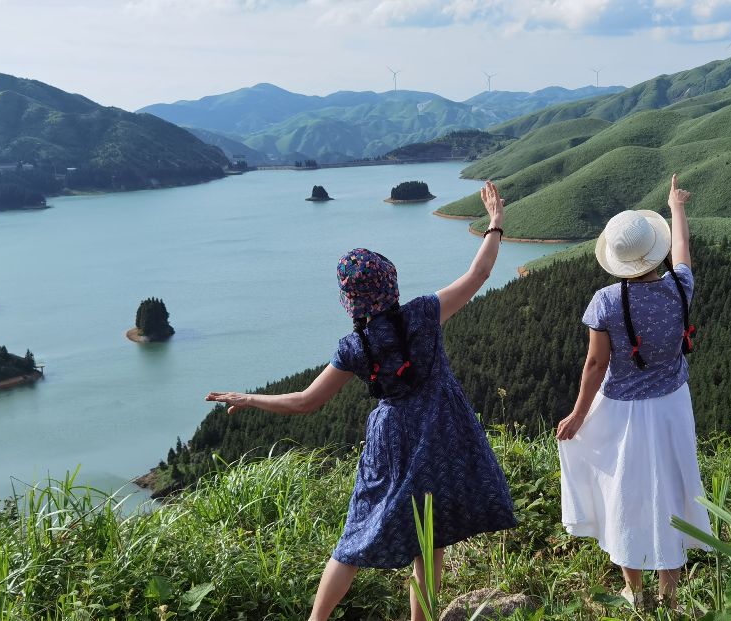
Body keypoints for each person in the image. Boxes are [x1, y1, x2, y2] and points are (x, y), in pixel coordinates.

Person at [205, 182, 517, 621]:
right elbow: (478, 274)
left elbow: (305, 401)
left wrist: (250, 398)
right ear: (389, 281)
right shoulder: (423, 314)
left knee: (357, 533)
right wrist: (495, 223)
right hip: (441, 428)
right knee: (430, 535)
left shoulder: (354, 347)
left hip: (391, 437)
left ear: (350, 298)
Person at [555, 174, 711, 610]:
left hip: (621, 410)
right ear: (655, 251)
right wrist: (676, 206)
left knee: (624, 493)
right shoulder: (680, 286)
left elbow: (595, 364)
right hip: (672, 406)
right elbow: (683, 249)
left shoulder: (606, 301)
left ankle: (635, 591)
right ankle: (669, 596)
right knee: (670, 491)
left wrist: (579, 414)